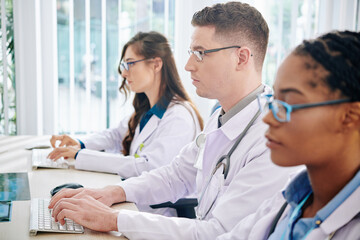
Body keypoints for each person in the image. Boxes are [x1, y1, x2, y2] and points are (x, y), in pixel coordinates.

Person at [49, 2, 299, 239]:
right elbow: (176, 175)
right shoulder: (222, 116)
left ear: (242, 58)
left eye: (201, 53)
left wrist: (114, 219)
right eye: (192, 52)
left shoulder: (272, 141)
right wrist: (110, 193)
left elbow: (216, 234)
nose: (189, 65)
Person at [217, 30, 360, 240]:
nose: (268, 118)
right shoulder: (287, 201)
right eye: (274, 100)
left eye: (288, 103)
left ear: (349, 116)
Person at [47, 31, 203, 179]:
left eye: (130, 63)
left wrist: (80, 155)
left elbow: (147, 167)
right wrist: (80, 144)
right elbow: (115, 135)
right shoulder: (149, 110)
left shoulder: (178, 117)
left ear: (156, 65)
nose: (123, 73)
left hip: (153, 206)